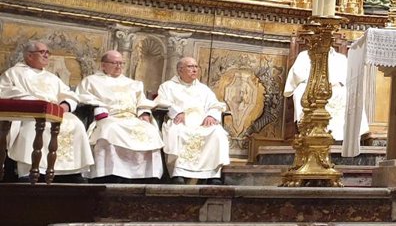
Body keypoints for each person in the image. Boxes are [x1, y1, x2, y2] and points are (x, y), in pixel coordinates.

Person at [0, 40, 94, 180]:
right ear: (29, 55)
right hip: (30, 113)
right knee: (33, 127)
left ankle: (71, 172)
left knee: (77, 124)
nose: (46, 55)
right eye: (42, 52)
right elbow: (5, 91)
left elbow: (69, 94)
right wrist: (33, 103)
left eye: (47, 52)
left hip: (54, 111)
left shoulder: (51, 77)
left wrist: (65, 106)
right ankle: (29, 170)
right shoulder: (13, 73)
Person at [76, 50, 164, 182]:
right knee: (111, 130)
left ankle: (146, 175)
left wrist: (144, 113)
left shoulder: (133, 84)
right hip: (109, 117)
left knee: (150, 130)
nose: (119, 66)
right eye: (114, 63)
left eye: (121, 63)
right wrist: (99, 107)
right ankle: (111, 173)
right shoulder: (91, 81)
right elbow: (82, 97)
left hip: (132, 117)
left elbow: (142, 101)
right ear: (103, 65)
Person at [157, 57, 231, 184]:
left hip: (201, 122)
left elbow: (214, 104)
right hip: (181, 121)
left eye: (196, 67)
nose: (195, 70)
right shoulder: (168, 86)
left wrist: (211, 116)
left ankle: (213, 174)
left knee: (217, 132)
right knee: (178, 131)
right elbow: (161, 102)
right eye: (190, 67)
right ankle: (178, 173)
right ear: (180, 70)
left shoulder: (203, 89)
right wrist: (177, 112)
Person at [284, 40, 368, 142]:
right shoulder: (304, 55)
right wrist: (316, 83)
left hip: (335, 89)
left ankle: (345, 138)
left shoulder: (340, 58)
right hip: (311, 86)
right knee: (301, 92)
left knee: (351, 95)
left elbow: (347, 79)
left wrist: (333, 84)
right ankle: (309, 131)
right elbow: (298, 75)